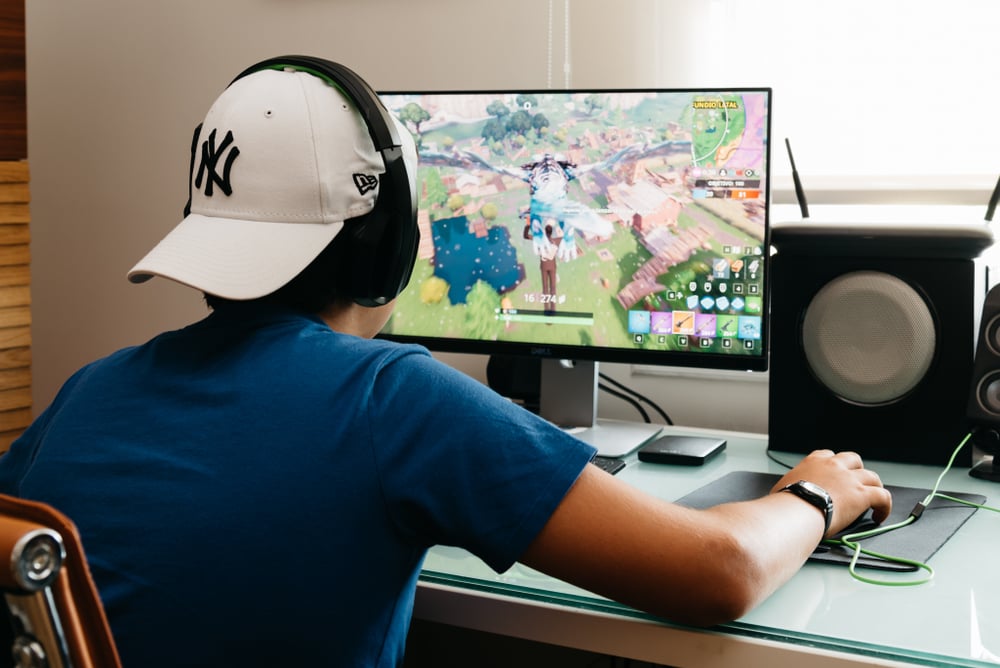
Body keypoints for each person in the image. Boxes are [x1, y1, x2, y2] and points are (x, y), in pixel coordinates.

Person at [0, 56, 892, 667]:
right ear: (387, 246)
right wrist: (817, 492)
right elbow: (717, 572)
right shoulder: (390, 400)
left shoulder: (88, 391)